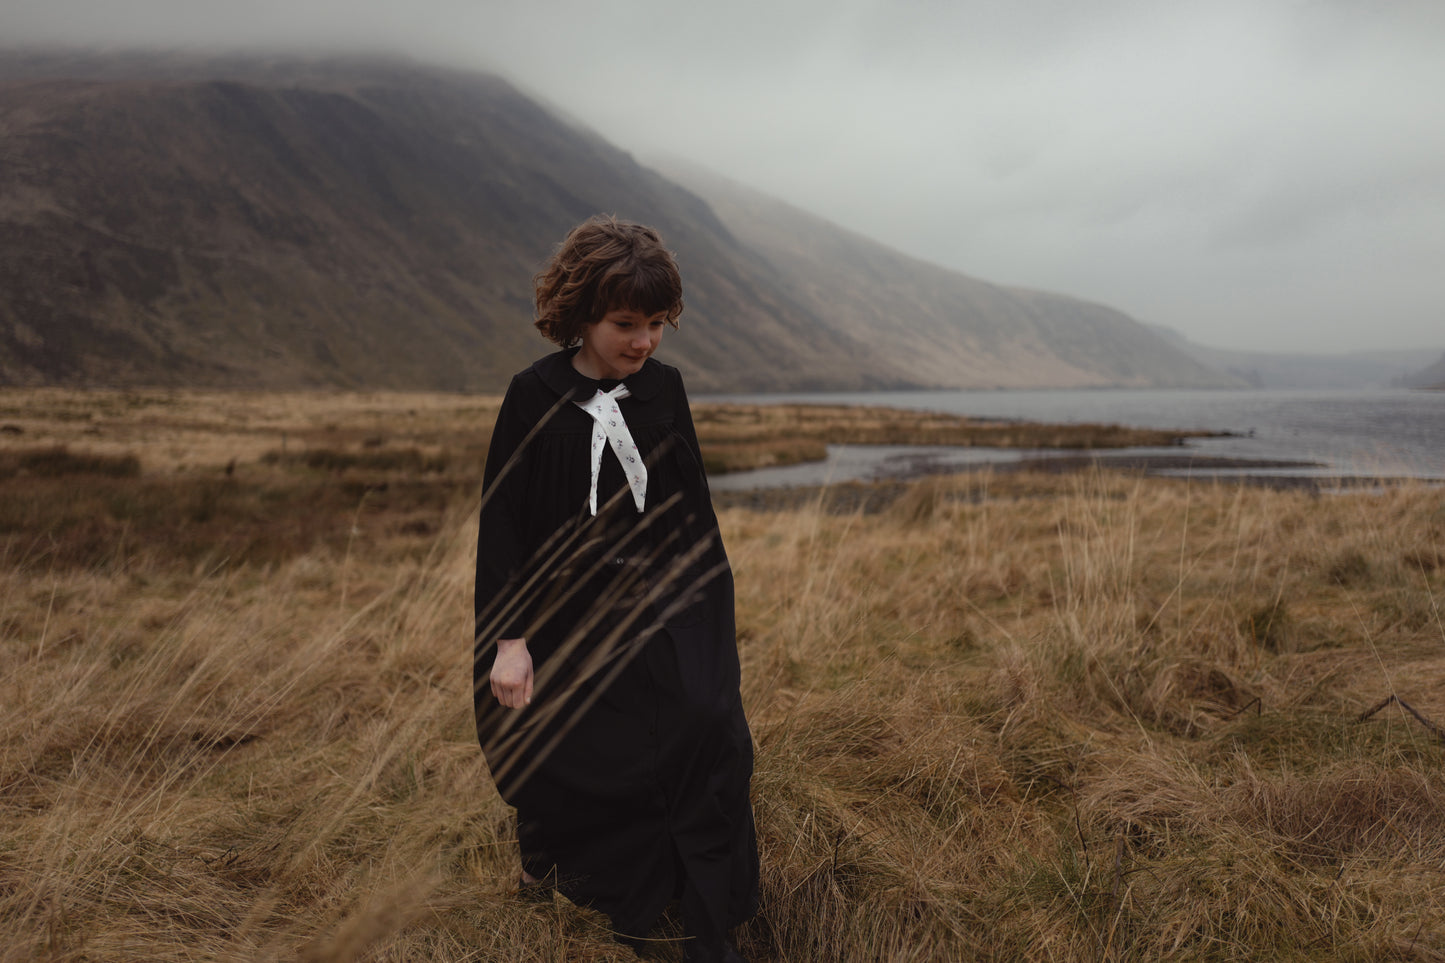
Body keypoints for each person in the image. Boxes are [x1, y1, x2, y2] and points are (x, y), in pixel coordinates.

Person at [473, 215, 758, 962]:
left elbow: (691, 510)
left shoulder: (664, 390)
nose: (645, 341)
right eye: (626, 323)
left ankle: (701, 913)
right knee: (574, 749)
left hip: (663, 602)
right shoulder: (530, 396)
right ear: (581, 314)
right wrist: (510, 640)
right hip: (561, 613)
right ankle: (564, 866)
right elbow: (503, 525)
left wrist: (705, 623)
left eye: (658, 324)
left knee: (706, 727)